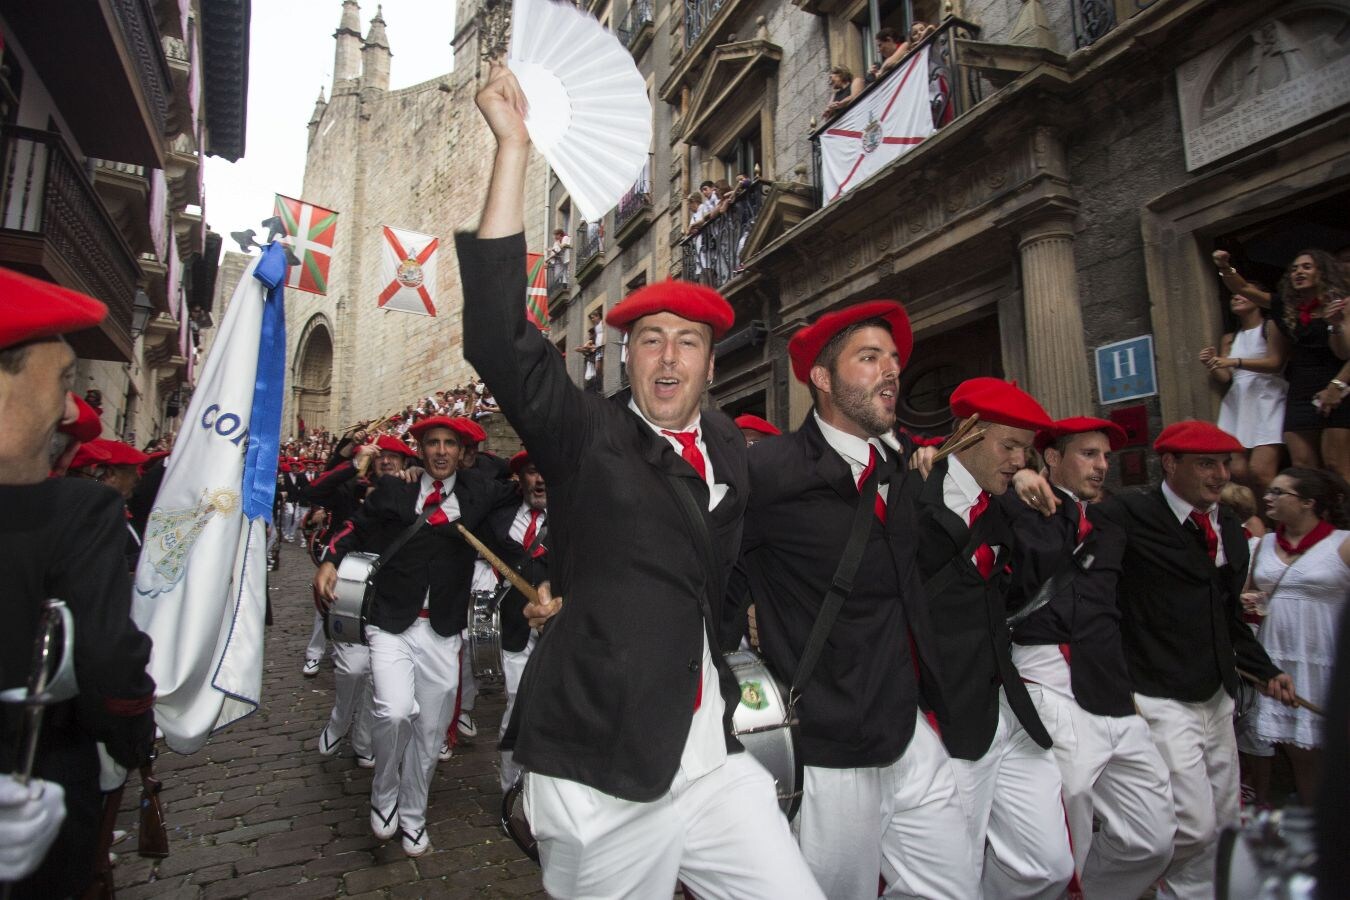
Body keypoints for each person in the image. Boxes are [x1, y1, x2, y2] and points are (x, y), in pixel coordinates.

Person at [457, 61, 826, 899]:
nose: (667, 356)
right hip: (599, 770)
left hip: (711, 762)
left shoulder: (733, 447)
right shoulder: (586, 432)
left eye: (686, 340)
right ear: (626, 355)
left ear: (711, 359)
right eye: (649, 338)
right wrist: (513, 149)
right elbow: (495, 337)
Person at [737, 301, 976, 898]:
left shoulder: (898, 472)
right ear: (822, 377)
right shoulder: (767, 471)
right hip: (828, 741)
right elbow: (704, 566)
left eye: (894, 359)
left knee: (952, 885)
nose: (891, 371)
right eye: (869, 358)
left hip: (908, 726)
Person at [0, 266, 156, 898]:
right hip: (50, 770)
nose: (71, 408)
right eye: (63, 380)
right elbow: (107, 656)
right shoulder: (75, 515)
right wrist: (131, 735)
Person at [1093, 420, 1296, 900]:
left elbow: (1224, 612)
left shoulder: (1226, 523)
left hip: (1217, 693)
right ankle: (1096, 886)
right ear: (1170, 464)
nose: (1220, 474)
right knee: (1191, 826)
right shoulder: (1129, 512)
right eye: (1206, 463)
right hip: (1159, 692)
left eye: (1225, 463)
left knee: (1223, 825)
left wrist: (1265, 671)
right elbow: (1073, 530)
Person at [897, 376, 1074, 899]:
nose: (1020, 459)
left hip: (1009, 707)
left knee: (1048, 867)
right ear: (969, 433)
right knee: (950, 880)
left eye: (1026, 449)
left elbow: (1047, 566)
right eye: (1009, 445)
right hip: (945, 714)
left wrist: (1028, 493)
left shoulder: (1009, 504)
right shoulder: (913, 486)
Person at [313, 415, 515, 858]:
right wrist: (329, 559)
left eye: (450, 444)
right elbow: (355, 527)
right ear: (420, 451)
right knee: (394, 711)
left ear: (463, 453)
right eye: (432, 443)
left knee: (428, 732)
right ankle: (383, 795)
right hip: (390, 624)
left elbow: (520, 478)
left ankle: (413, 815)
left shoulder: (480, 493)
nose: (441, 451)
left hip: (442, 632)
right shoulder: (396, 489)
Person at [1005, 417, 1176, 897]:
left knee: (1153, 837)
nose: (1102, 465)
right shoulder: (1018, 509)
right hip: (1050, 682)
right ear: (1054, 458)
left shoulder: (1113, 523)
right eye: (1088, 454)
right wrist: (1019, 477)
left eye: (1106, 456)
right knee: (1063, 844)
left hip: (1113, 690)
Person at [312, 434, 419, 769]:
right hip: (350, 585)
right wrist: (350, 463)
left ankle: (362, 739)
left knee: (378, 673)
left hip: (387, 592)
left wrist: (417, 478)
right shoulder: (351, 486)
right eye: (380, 457)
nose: (386, 461)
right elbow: (313, 493)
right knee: (352, 668)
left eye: (394, 457)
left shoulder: (409, 491)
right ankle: (339, 718)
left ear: (405, 463)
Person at [1245, 467, 1350, 805]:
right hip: (1280, 660)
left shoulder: (1342, 544)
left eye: (1278, 493)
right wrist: (1247, 600)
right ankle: (1317, 832)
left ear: (1307, 502)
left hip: (1327, 659)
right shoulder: (1262, 545)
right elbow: (1247, 592)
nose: (1268, 498)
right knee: (1301, 756)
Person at [1213, 249, 1349, 477]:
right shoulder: (1286, 309)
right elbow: (1244, 289)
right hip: (1300, 391)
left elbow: (1345, 353)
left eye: (1307, 267)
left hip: (1338, 385)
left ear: (1322, 272)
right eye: (1294, 268)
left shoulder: (1341, 304)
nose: (1299, 272)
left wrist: (1337, 385)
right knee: (1303, 467)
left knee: (1336, 465)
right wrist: (1225, 267)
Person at [482, 450, 550, 792]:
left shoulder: (576, 519)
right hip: (513, 632)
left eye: (546, 473)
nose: (540, 480)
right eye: (533, 472)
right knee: (518, 708)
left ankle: (544, 794)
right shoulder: (499, 515)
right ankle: (511, 793)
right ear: (520, 478)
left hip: (558, 634)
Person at [1199, 285, 1288, 492]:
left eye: (1242, 293)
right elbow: (1225, 377)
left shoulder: (1270, 326)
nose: (1236, 297)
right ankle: (1257, 520)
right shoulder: (1229, 338)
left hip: (1266, 397)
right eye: (1233, 295)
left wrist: (1233, 362)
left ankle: (1278, 520)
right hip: (1239, 399)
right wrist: (1211, 363)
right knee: (1237, 471)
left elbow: (1276, 363)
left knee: (1261, 471)